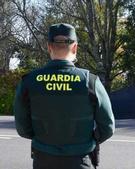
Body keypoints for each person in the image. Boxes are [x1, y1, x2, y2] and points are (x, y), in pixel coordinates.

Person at [14, 23, 115, 169]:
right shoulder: (90, 81)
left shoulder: (29, 81)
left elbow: (23, 128)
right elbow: (107, 127)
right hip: (80, 160)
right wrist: (88, 140)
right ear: (75, 48)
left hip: (43, 159)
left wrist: (43, 140)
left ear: (49, 47)